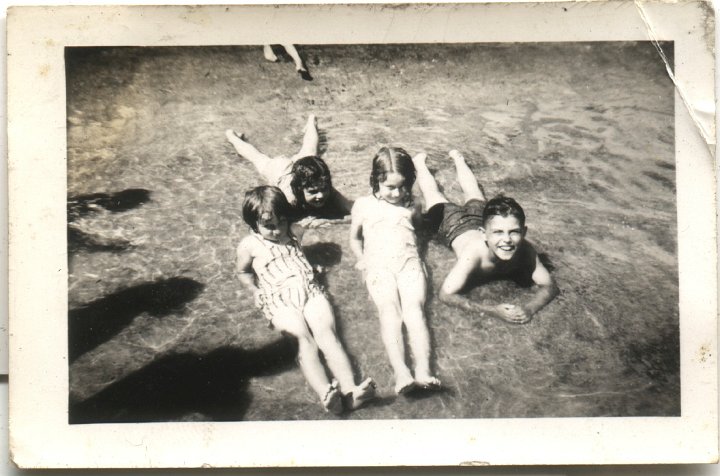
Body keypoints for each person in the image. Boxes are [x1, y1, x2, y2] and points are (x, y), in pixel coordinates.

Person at [236, 185, 376, 414]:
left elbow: (309, 222)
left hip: (310, 290)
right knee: (303, 340)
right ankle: (326, 393)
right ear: (253, 224)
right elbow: (242, 272)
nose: (278, 230)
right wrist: (254, 290)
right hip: (278, 298)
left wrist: (325, 221)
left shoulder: (293, 230)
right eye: (269, 226)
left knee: (328, 335)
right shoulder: (249, 245)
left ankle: (351, 390)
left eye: (282, 221)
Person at [414, 150, 559, 324]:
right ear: (484, 233)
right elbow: (446, 294)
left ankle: (458, 160)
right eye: (499, 233)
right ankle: (420, 164)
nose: (506, 239)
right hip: (452, 225)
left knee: (474, 192)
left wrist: (529, 308)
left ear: (524, 232)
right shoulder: (474, 254)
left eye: (514, 231)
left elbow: (549, 286)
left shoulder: (526, 250)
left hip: (481, 219)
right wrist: (492, 311)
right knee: (433, 195)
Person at [349, 147, 441, 395]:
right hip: (378, 266)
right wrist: (361, 259)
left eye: (403, 187)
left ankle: (423, 370)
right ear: (375, 180)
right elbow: (355, 239)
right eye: (390, 187)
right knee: (389, 311)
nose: (397, 193)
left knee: (415, 311)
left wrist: (423, 251)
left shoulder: (412, 205)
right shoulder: (362, 205)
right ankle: (401, 372)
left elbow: (418, 230)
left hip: (408, 264)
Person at [225, 114, 353, 227]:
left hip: (303, 167)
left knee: (311, 149)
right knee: (257, 158)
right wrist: (301, 222)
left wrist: (331, 221)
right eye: (313, 192)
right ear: (300, 190)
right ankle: (231, 136)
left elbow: (357, 212)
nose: (320, 195)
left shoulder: (324, 187)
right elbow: (276, 223)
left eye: (323, 189)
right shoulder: (288, 198)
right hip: (280, 170)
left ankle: (311, 122)